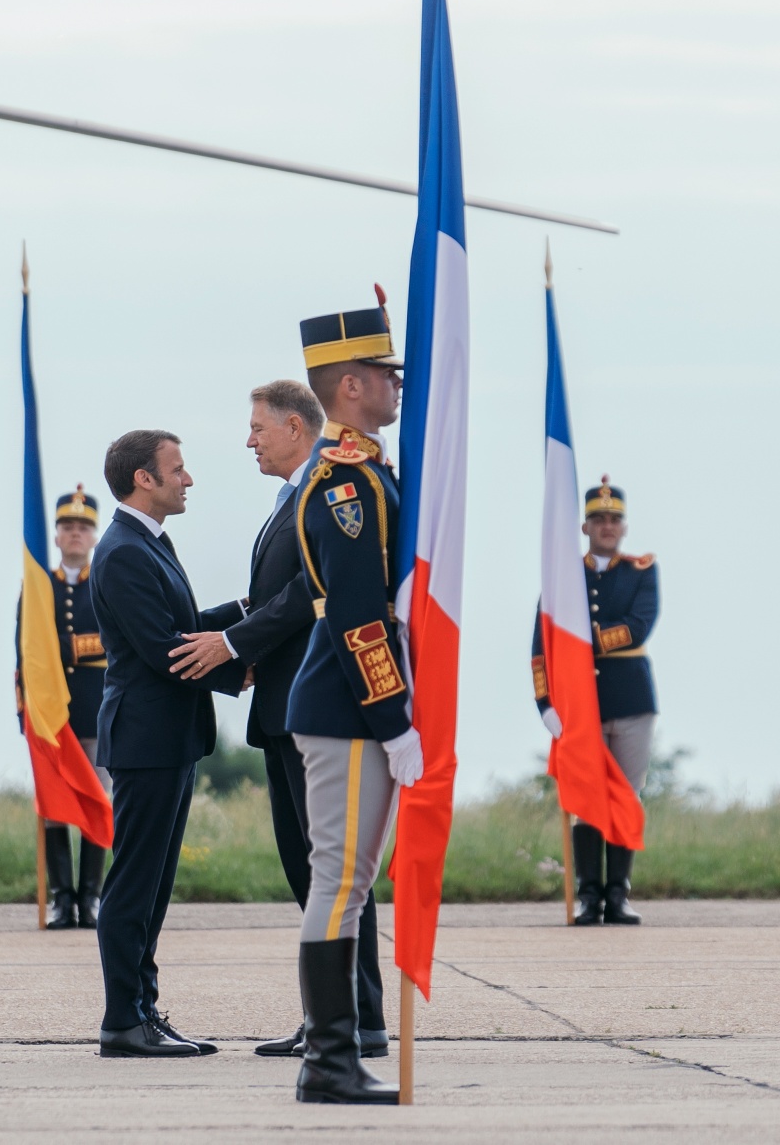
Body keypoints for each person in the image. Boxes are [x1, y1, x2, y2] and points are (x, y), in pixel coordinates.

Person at [167, 380, 391, 1060]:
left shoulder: (325, 489)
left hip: (312, 704)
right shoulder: (290, 498)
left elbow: (306, 592)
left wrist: (232, 645)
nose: (249, 441)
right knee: (308, 868)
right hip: (285, 704)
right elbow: (268, 595)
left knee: (331, 871)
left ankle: (356, 1019)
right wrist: (212, 629)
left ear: (296, 427)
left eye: (258, 428)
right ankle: (335, 1014)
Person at [284, 299, 426, 1105]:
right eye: (385, 374)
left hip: (351, 706)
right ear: (349, 385)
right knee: (339, 882)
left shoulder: (370, 471)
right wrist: (393, 718)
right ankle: (329, 1061)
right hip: (346, 708)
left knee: (350, 881)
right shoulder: (345, 483)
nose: (397, 386)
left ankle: (333, 1056)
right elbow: (356, 617)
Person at [90, 429, 249, 1056]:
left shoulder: (148, 541)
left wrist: (248, 611)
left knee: (153, 886)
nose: (188, 480)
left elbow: (184, 627)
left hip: (169, 738)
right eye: (177, 469)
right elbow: (165, 651)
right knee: (134, 883)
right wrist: (242, 666)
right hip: (146, 739)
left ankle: (143, 1012)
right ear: (144, 479)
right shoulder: (123, 552)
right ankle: (122, 1020)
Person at [531, 477, 659, 925]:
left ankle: (618, 896)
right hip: (580, 705)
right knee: (585, 799)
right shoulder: (563, 577)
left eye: (614, 519)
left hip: (631, 700)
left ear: (624, 527)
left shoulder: (642, 571)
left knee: (626, 795)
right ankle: (589, 897)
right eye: (599, 519)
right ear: (585, 527)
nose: (607, 525)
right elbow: (541, 644)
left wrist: (581, 642)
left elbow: (638, 627)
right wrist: (545, 703)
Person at [20, 484, 111, 930]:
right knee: (54, 805)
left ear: (94, 536)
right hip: (50, 716)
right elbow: (24, 653)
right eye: (68, 526)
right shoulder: (37, 588)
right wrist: (25, 713)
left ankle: (90, 898)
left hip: (95, 709)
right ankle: (62, 899)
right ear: (56, 536)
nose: (75, 533)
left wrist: (61, 647)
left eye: (83, 527)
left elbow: (113, 640)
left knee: (96, 799)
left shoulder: (107, 582)